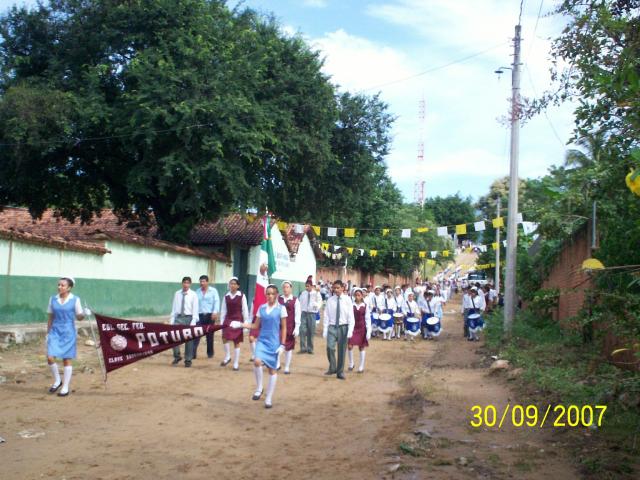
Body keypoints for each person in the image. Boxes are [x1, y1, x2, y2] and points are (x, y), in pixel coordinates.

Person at [231, 284, 287, 409]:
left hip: (273, 343)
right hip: (262, 341)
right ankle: (259, 387)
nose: (270, 296)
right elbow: (255, 326)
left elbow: (284, 327)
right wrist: (241, 324)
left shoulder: (281, 308)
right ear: (265, 295)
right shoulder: (261, 308)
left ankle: (269, 397)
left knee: (272, 370)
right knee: (256, 361)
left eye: (272, 293)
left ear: (277, 295)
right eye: (268, 293)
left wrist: (282, 345)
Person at [46, 277, 87, 397]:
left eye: (63, 285)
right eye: (59, 285)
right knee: (50, 357)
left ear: (69, 287)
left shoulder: (75, 300)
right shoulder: (53, 299)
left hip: (68, 332)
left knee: (66, 359)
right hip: (55, 331)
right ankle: (58, 380)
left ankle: (65, 387)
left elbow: (79, 317)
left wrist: (84, 313)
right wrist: (47, 333)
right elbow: (50, 317)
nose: (59, 287)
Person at [323, 280, 355, 380]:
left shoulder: (347, 300)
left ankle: (340, 372)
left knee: (342, 351)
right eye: (334, 288)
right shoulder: (330, 300)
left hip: (343, 327)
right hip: (332, 327)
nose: (336, 290)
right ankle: (332, 367)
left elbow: (351, 316)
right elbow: (326, 315)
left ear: (342, 288)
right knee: (330, 347)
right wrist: (325, 328)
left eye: (338, 288)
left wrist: (350, 329)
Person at [220, 277, 249, 370]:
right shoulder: (226, 296)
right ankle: (228, 356)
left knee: (236, 341)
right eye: (231, 283)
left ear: (238, 286)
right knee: (224, 337)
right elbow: (223, 310)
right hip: (228, 319)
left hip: (238, 319)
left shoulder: (242, 295)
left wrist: (245, 323)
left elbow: (245, 310)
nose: (232, 285)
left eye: (234, 284)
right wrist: (221, 323)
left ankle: (236, 363)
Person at [170, 276, 199, 367]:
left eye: (187, 283)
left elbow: (195, 309)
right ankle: (177, 356)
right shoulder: (177, 293)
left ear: (190, 284)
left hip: (189, 318)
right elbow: (174, 308)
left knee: (189, 340)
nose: (186, 284)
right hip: (178, 318)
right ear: (182, 283)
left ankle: (188, 360)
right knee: (173, 337)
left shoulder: (193, 294)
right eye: (184, 282)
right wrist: (172, 320)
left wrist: (193, 321)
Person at [193, 275, 220, 359]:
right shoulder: (197, 292)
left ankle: (210, 353)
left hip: (210, 315)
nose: (202, 283)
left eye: (204, 281)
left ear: (207, 282)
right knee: (197, 334)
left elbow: (216, 301)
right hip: (199, 315)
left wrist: (215, 312)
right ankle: (193, 353)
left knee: (210, 335)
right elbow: (195, 304)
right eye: (201, 281)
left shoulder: (213, 291)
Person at [278, 281, 300, 374]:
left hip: (290, 327)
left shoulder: (295, 300)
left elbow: (298, 314)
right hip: (279, 327)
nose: (285, 289)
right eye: (284, 287)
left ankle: (286, 367)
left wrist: (297, 328)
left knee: (288, 348)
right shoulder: (278, 299)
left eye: (287, 287)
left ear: (291, 289)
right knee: (277, 345)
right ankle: (277, 364)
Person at [348, 288, 371, 373]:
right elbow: (349, 317)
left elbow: (368, 318)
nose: (357, 297)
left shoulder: (365, 306)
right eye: (356, 295)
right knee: (350, 345)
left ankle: (361, 366)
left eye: (359, 295)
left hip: (362, 328)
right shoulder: (351, 305)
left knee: (361, 347)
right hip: (353, 327)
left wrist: (368, 331)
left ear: (362, 296)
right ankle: (351, 363)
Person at [299, 278, 321, 354]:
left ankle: (310, 348)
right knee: (302, 330)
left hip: (312, 314)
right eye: (306, 286)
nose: (307, 287)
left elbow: (319, 302)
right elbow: (300, 303)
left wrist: (316, 307)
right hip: (304, 314)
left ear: (312, 286)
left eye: (308, 286)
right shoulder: (303, 293)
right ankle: (302, 348)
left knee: (311, 332)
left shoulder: (316, 293)